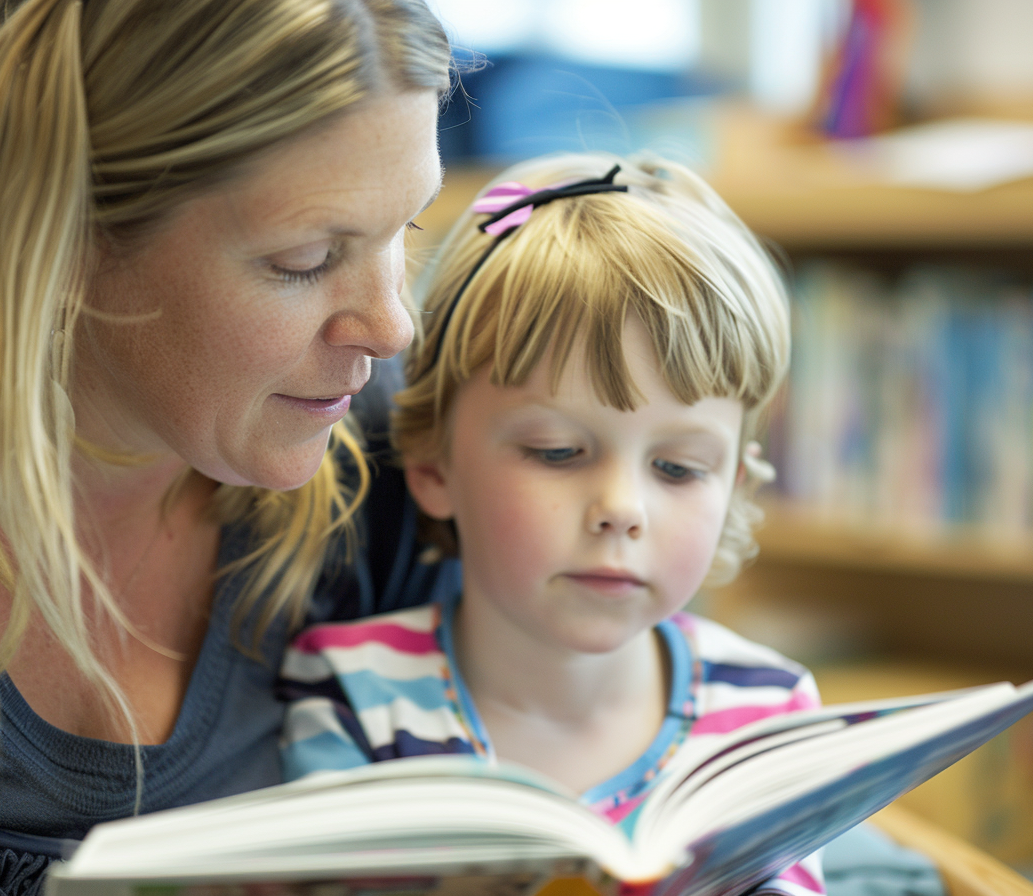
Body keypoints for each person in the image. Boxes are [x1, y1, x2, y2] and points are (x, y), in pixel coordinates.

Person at [0, 1, 456, 893]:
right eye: (304, 259)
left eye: (406, 228)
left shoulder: (382, 452)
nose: (391, 325)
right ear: (59, 224)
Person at [279, 153, 824, 896]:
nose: (622, 509)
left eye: (678, 469)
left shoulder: (769, 712)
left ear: (734, 486)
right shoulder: (350, 691)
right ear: (433, 465)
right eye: (557, 452)